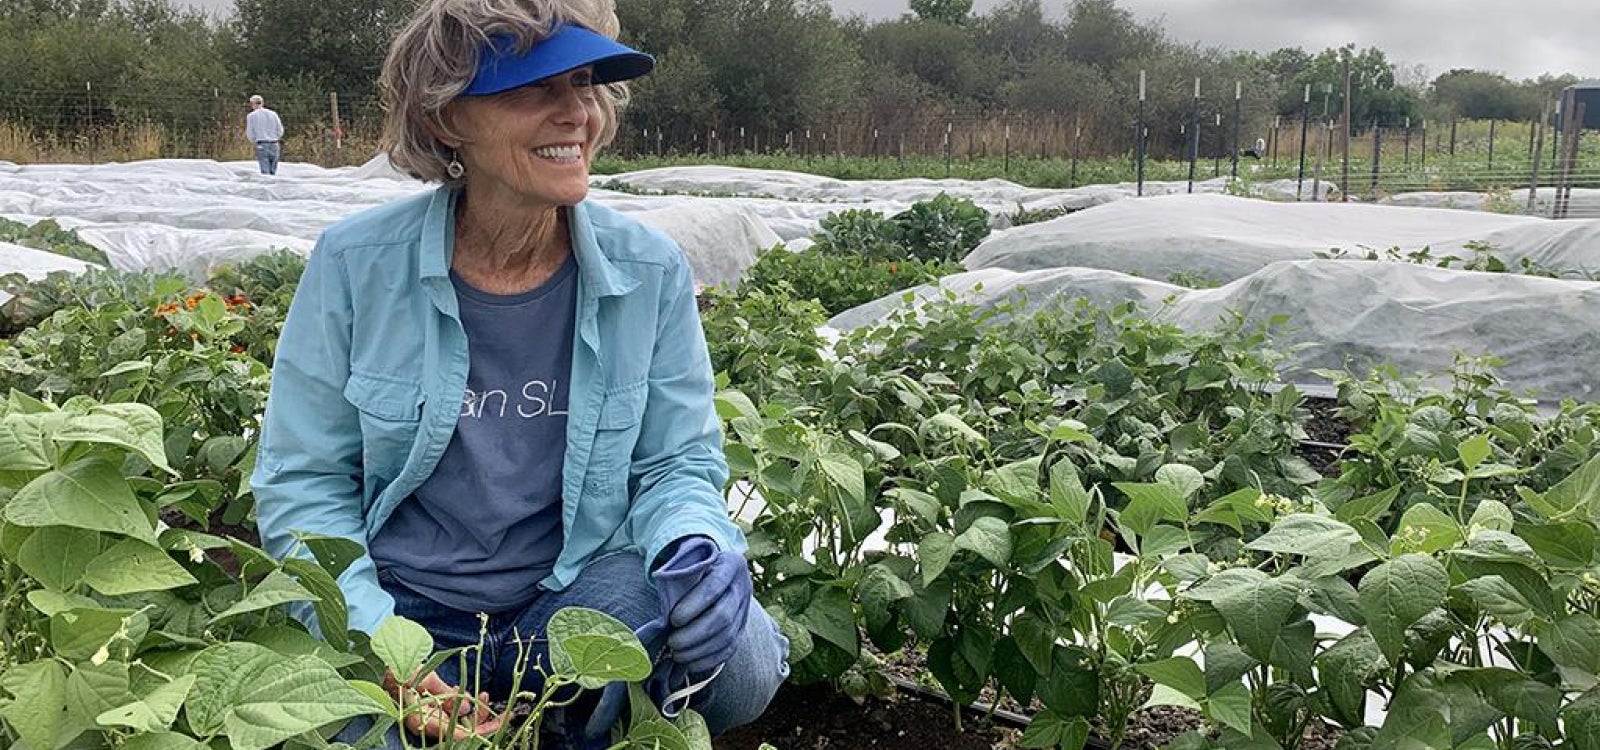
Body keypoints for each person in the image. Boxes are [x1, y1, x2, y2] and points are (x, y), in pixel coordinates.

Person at [249, 0, 788, 746]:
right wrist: (378, 647)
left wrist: (697, 543)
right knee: (357, 729)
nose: (577, 114)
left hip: (567, 597)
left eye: (589, 84)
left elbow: (678, 459)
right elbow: (302, 480)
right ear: (445, 119)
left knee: (744, 660)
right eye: (536, 88)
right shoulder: (356, 265)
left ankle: (563, 727)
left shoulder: (648, 270)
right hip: (408, 611)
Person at [245, 94, 284, 174]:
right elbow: (280, 130)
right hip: (274, 143)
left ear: (252, 104)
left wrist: (253, 139)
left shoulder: (251, 116)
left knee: (265, 171)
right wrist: (276, 137)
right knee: (273, 170)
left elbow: (250, 132)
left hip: (262, 143)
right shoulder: (273, 114)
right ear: (262, 103)